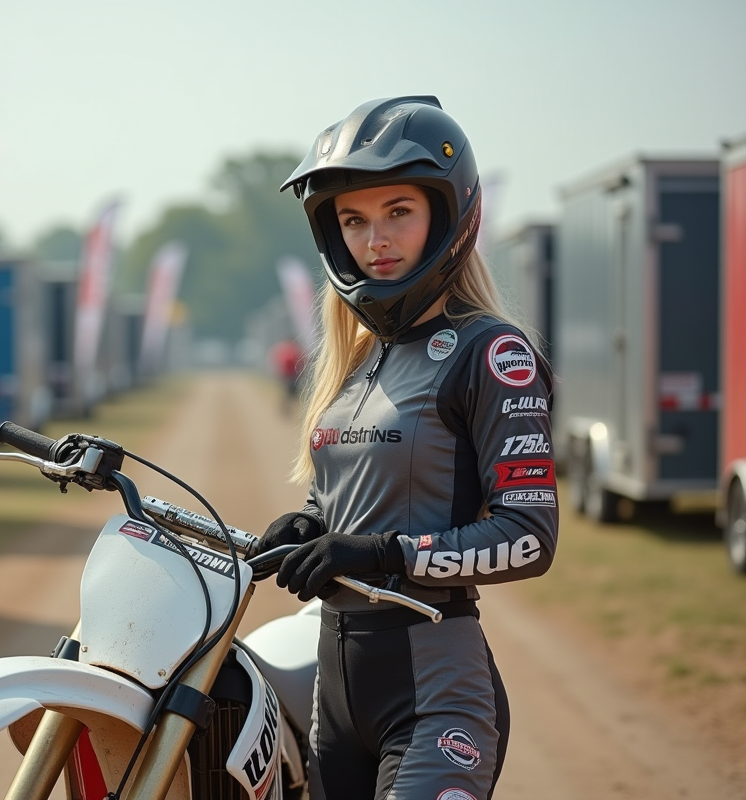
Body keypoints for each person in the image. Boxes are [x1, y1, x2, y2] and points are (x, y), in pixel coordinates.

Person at [256, 96, 558, 800]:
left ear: (448, 215)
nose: (375, 239)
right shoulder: (357, 357)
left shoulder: (491, 352)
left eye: (398, 211)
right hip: (333, 690)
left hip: (435, 696)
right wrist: (312, 523)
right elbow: (341, 491)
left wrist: (386, 553)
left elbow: (528, 537)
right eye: (353, 219)